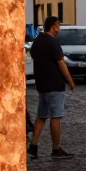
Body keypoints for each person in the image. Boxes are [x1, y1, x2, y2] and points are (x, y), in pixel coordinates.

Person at [28, 16, 74, 159]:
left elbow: (34, 57)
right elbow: (61, 63)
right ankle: (56, 149)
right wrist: (70, 80)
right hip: (54, 84)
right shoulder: (53, 42)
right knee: (55, 116)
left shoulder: (37, 42)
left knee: (41, 116)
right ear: (53, 26)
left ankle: (33, 147)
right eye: (58, 26)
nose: (59, 28)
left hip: (41, 84)